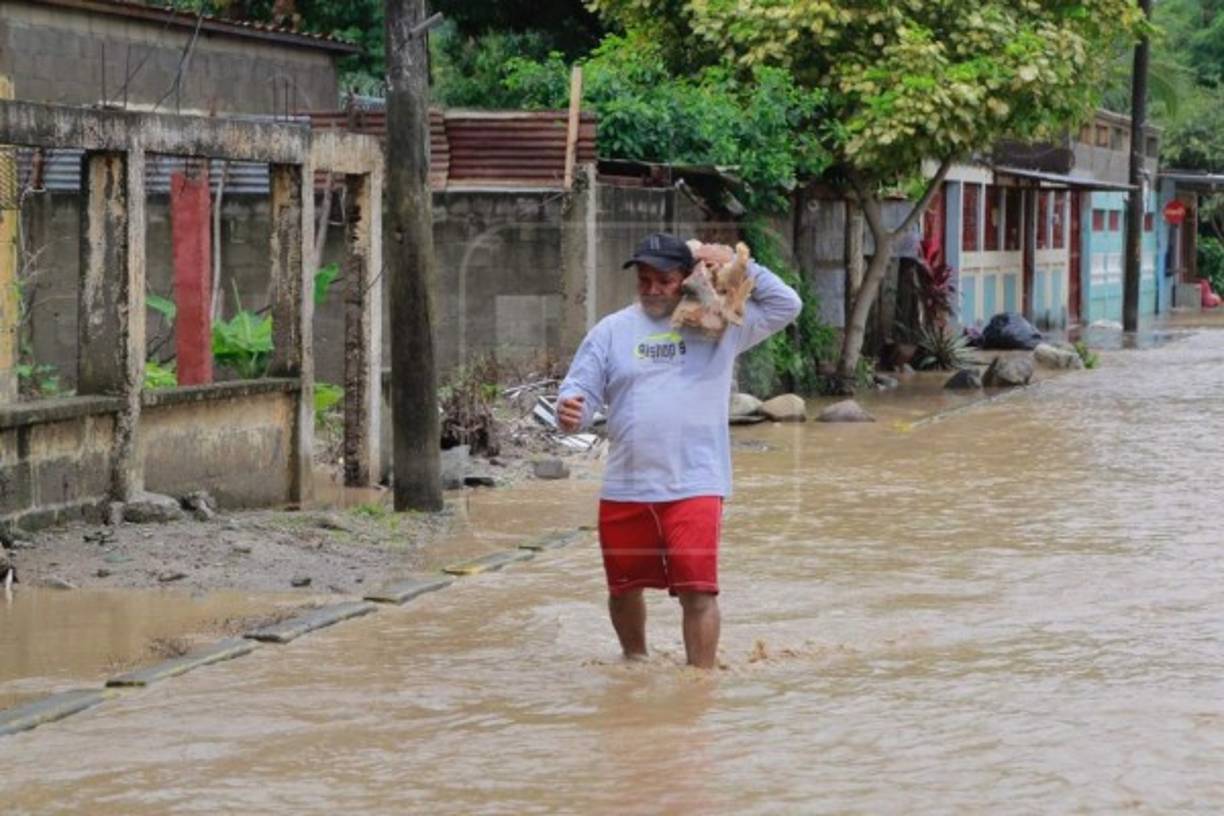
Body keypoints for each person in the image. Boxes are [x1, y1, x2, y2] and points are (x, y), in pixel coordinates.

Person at [557, 232, 802, 668]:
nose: (652, 289)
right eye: (644, 280)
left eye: (663, 280)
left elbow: (788, 305)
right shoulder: (612, 331)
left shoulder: (720, 324)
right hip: (625, 486)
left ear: (686, 278)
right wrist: (570, 408)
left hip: (696, 482)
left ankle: (700, 684)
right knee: (623, 587)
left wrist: (733, 261)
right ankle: (634, 665)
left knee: (699, 590)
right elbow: (580, 389)